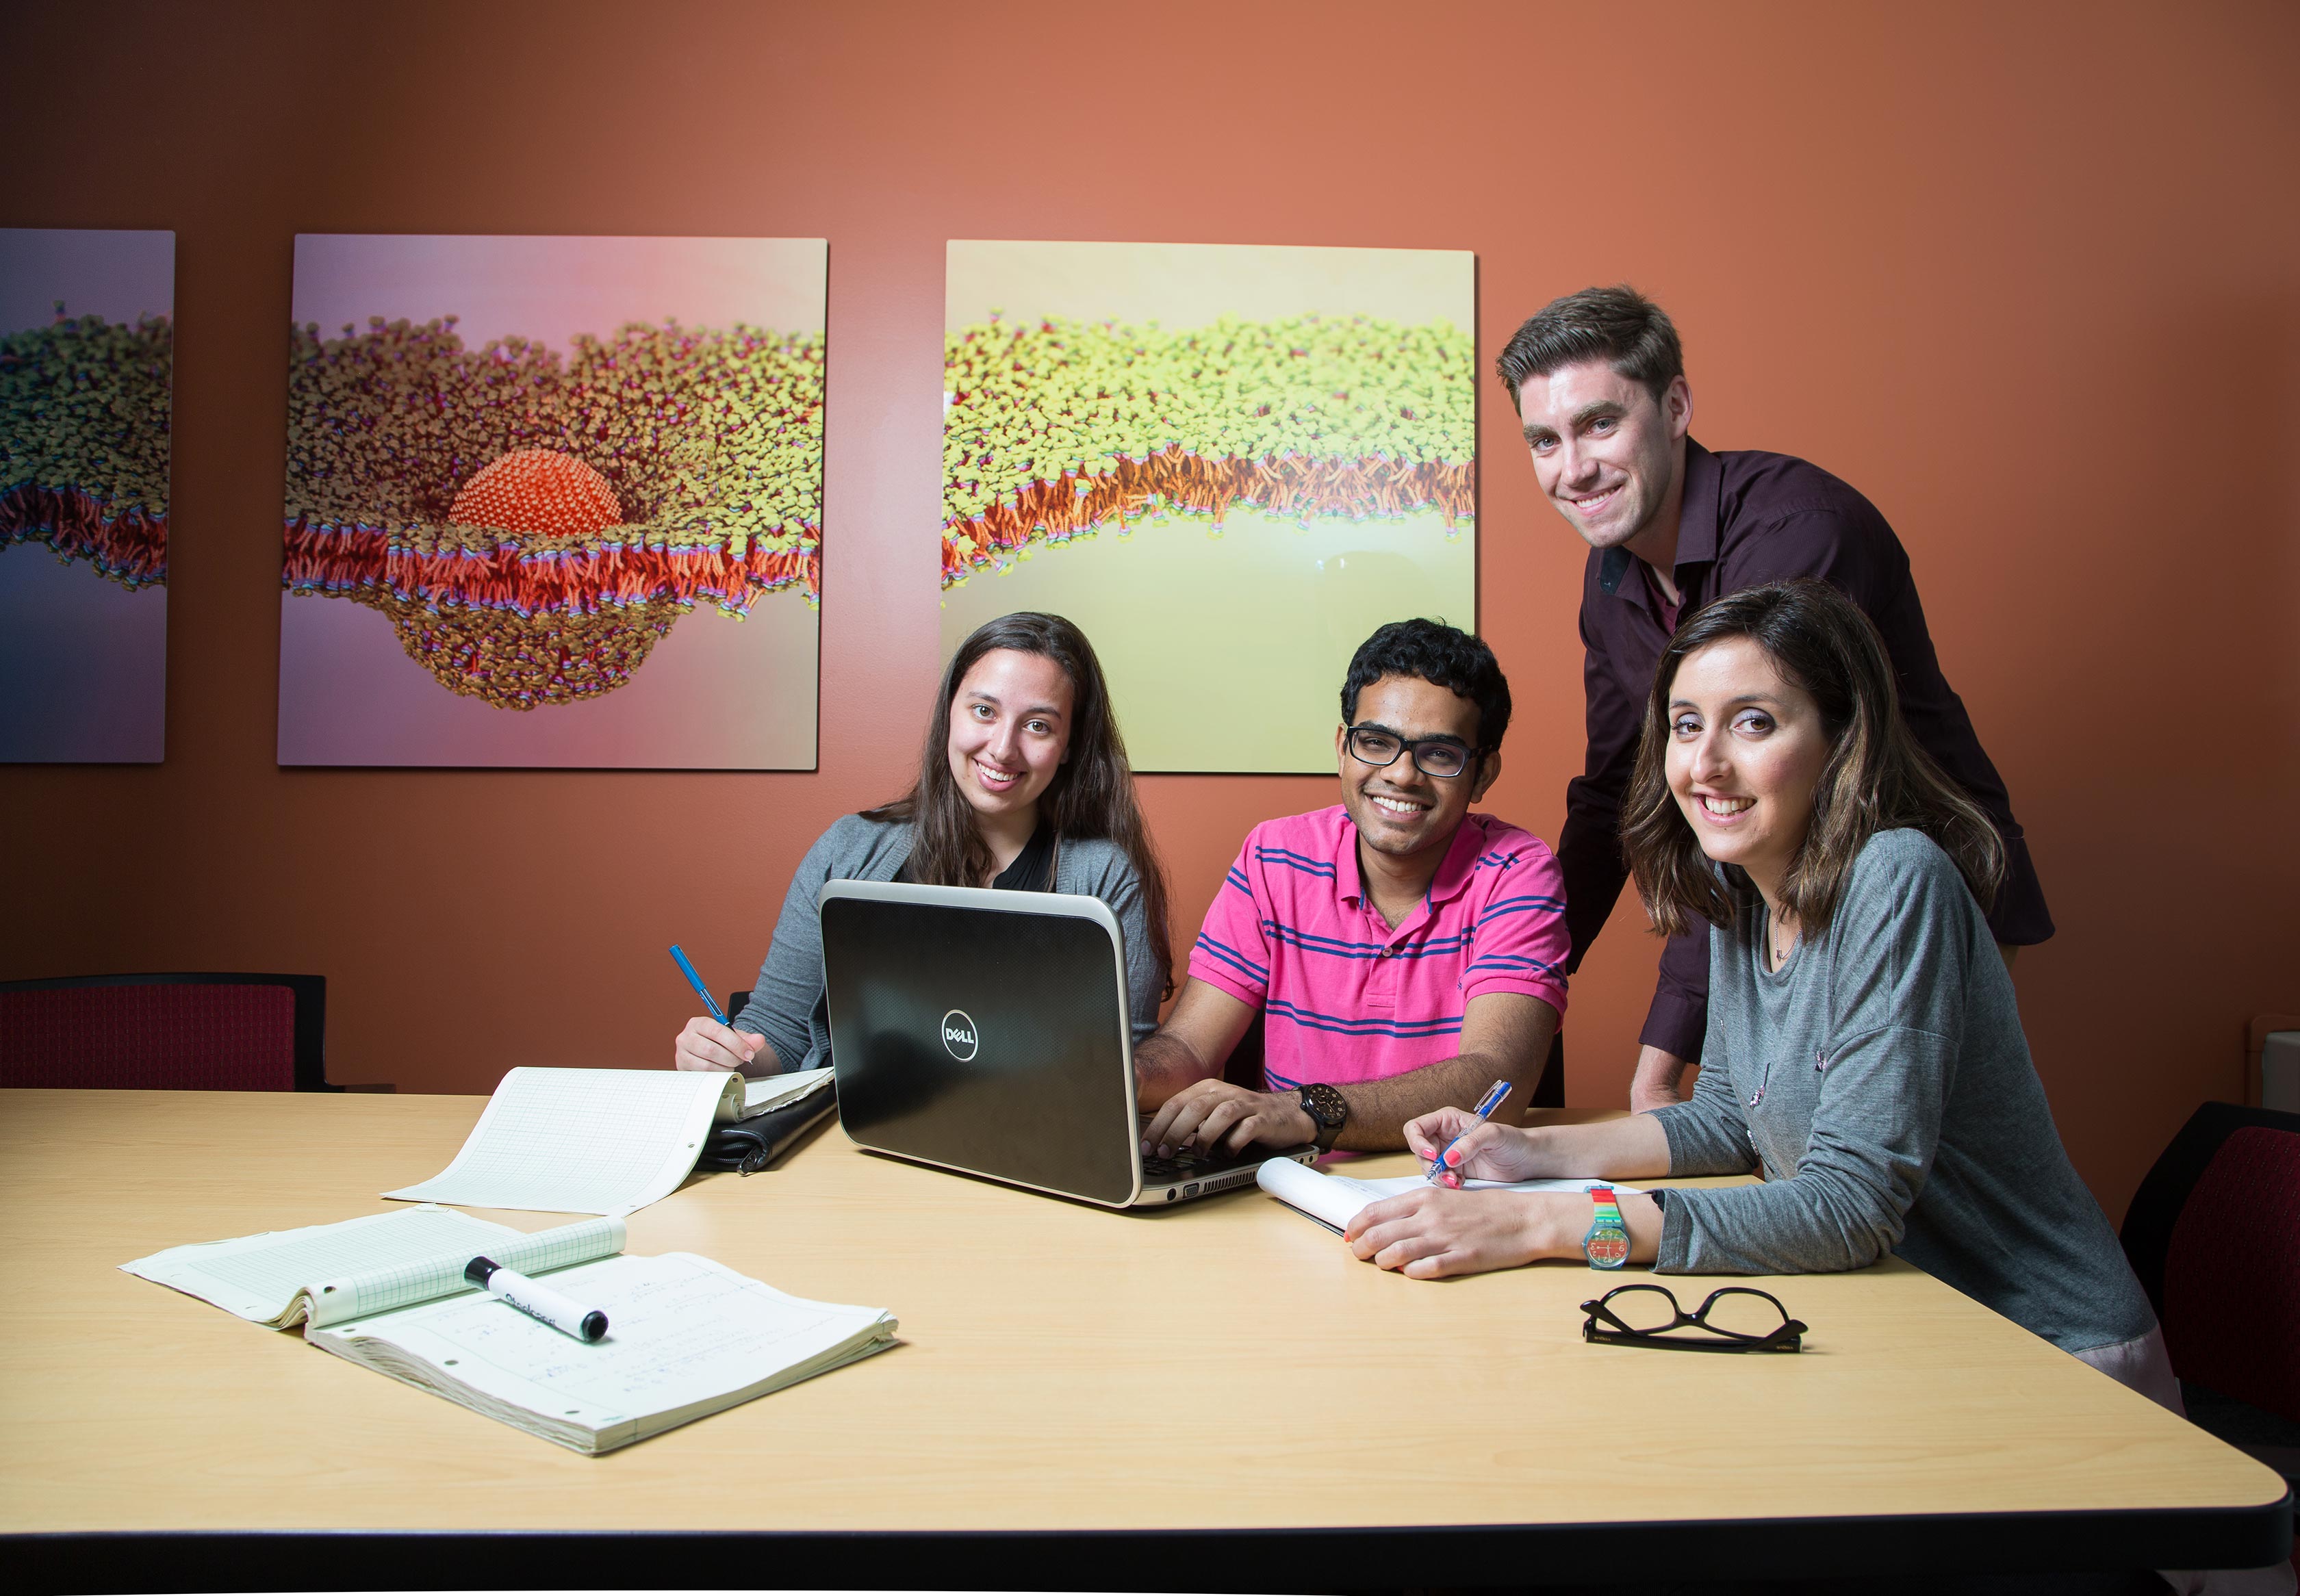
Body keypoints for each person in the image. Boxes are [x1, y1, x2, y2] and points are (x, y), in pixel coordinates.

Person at [1496, 285, 2052, 1113]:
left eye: (1601, 424)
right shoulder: (1608, 581)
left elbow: (1755, 794)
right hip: (1774, 898)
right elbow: (1620, 788)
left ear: (1676, 404)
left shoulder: (1800, 532)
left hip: (1907, 891)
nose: (1573, 468)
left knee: (1892, 1196)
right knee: (1788, 1175)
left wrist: (1661, 1056)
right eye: (1545, 439)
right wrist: (1524, 972)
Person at [1135, 619, 1568, 1159]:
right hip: (1287, 1189)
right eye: (1377, 743)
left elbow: (1496, 1080)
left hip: (1445, 1192)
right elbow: (1189, 1048)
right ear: (1343, 748)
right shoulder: (1274, 856)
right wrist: (1115, 1078)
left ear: (1483, 774)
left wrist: (1305, 1110)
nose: (1403, 775)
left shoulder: (1519, 871)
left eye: (1439, 754)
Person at [673, 611, 1171, 1077]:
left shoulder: (1105, 875)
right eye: (983, 711)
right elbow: (776, 1034)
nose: (1001, 747)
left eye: (1038, 725)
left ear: (1069, 748)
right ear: (949, 714)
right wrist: (728, 1059)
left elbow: (1124, 1070)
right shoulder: (847, 851)